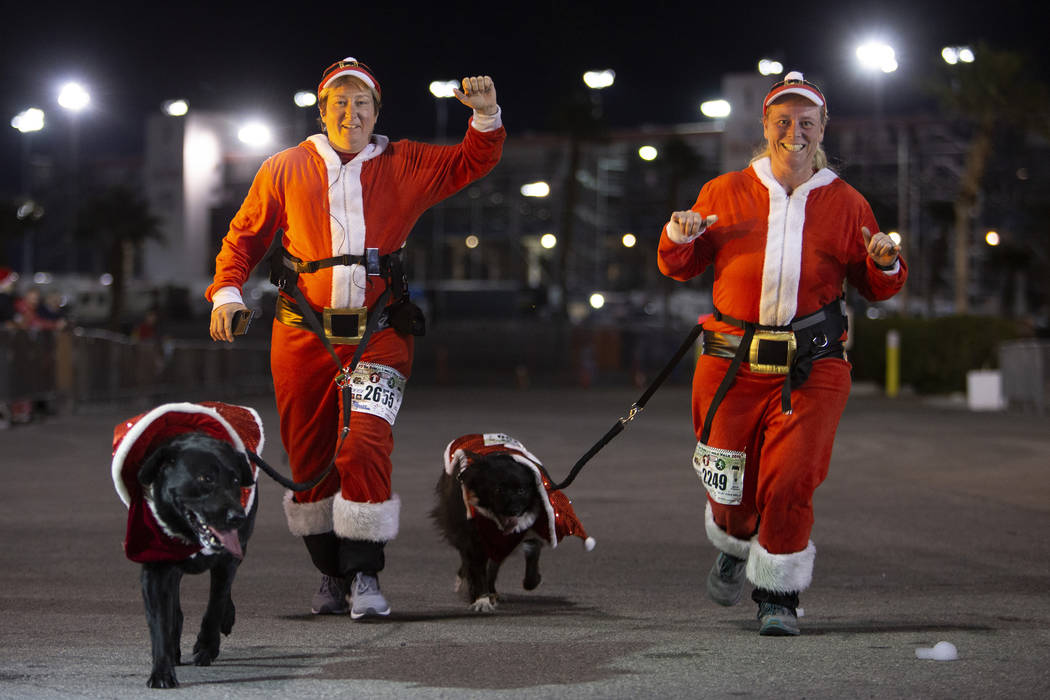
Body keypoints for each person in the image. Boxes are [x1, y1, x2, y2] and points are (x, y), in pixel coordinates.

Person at [207, 57, 504, 618]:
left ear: (377, 112)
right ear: (322, 112)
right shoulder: (283, 167)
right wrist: (226, 293)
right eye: (339, 104)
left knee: (364, 443)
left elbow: (472, 160)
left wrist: (485, 115)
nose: (351, 113)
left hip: (380, 334)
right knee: (311, 457)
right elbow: (243, 238)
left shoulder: (406, 161)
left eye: (361, 103)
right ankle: (330, 575)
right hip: (301, 335)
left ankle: (365, 573)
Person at [657, 71, 906, 636]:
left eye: (806, 122)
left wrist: (885, 260)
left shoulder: (846, 202)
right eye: (783, 120)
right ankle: (735, 540)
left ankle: (778, 595)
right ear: (766, 126)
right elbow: (680, 266)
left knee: (792, 480)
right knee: (728, 484)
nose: (795, 131)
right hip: (729, 365)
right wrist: (679, 235)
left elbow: (876, 283)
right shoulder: (724, 191)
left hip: (811, 367)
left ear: (822, 129)